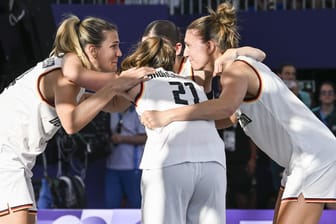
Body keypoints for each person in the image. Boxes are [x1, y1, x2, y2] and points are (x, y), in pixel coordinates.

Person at [139, 2, 336, 224]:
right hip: (305, 157)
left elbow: (225, 107)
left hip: (313, 156)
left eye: (189, 45)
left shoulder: (235, 70)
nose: (185, 52)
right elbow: (227, 117)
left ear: (211, 46)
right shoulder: (239, 64)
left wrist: (168, 115)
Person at [0, 15, 153, 224]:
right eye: (114, 46)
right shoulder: (65, 75)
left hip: (15, 160)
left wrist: (144, 84)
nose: (118, 53)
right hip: (5, 155)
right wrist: (118, 84)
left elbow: (115, 104)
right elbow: (71, 123)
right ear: (92, 50)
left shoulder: (73, 77)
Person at [116, 36, 265, 224]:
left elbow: (109, 97)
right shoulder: (194, 84)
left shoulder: (139, 80)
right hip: (213, 162)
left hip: (170, 161)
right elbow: (226, 118)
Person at [105, 105, 147, 208]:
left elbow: (145, 138)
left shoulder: (139, 112)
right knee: (111, 206)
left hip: (133, 167)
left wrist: (122, 139)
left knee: (137, 205)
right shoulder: (112, 111)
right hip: (112, 165)